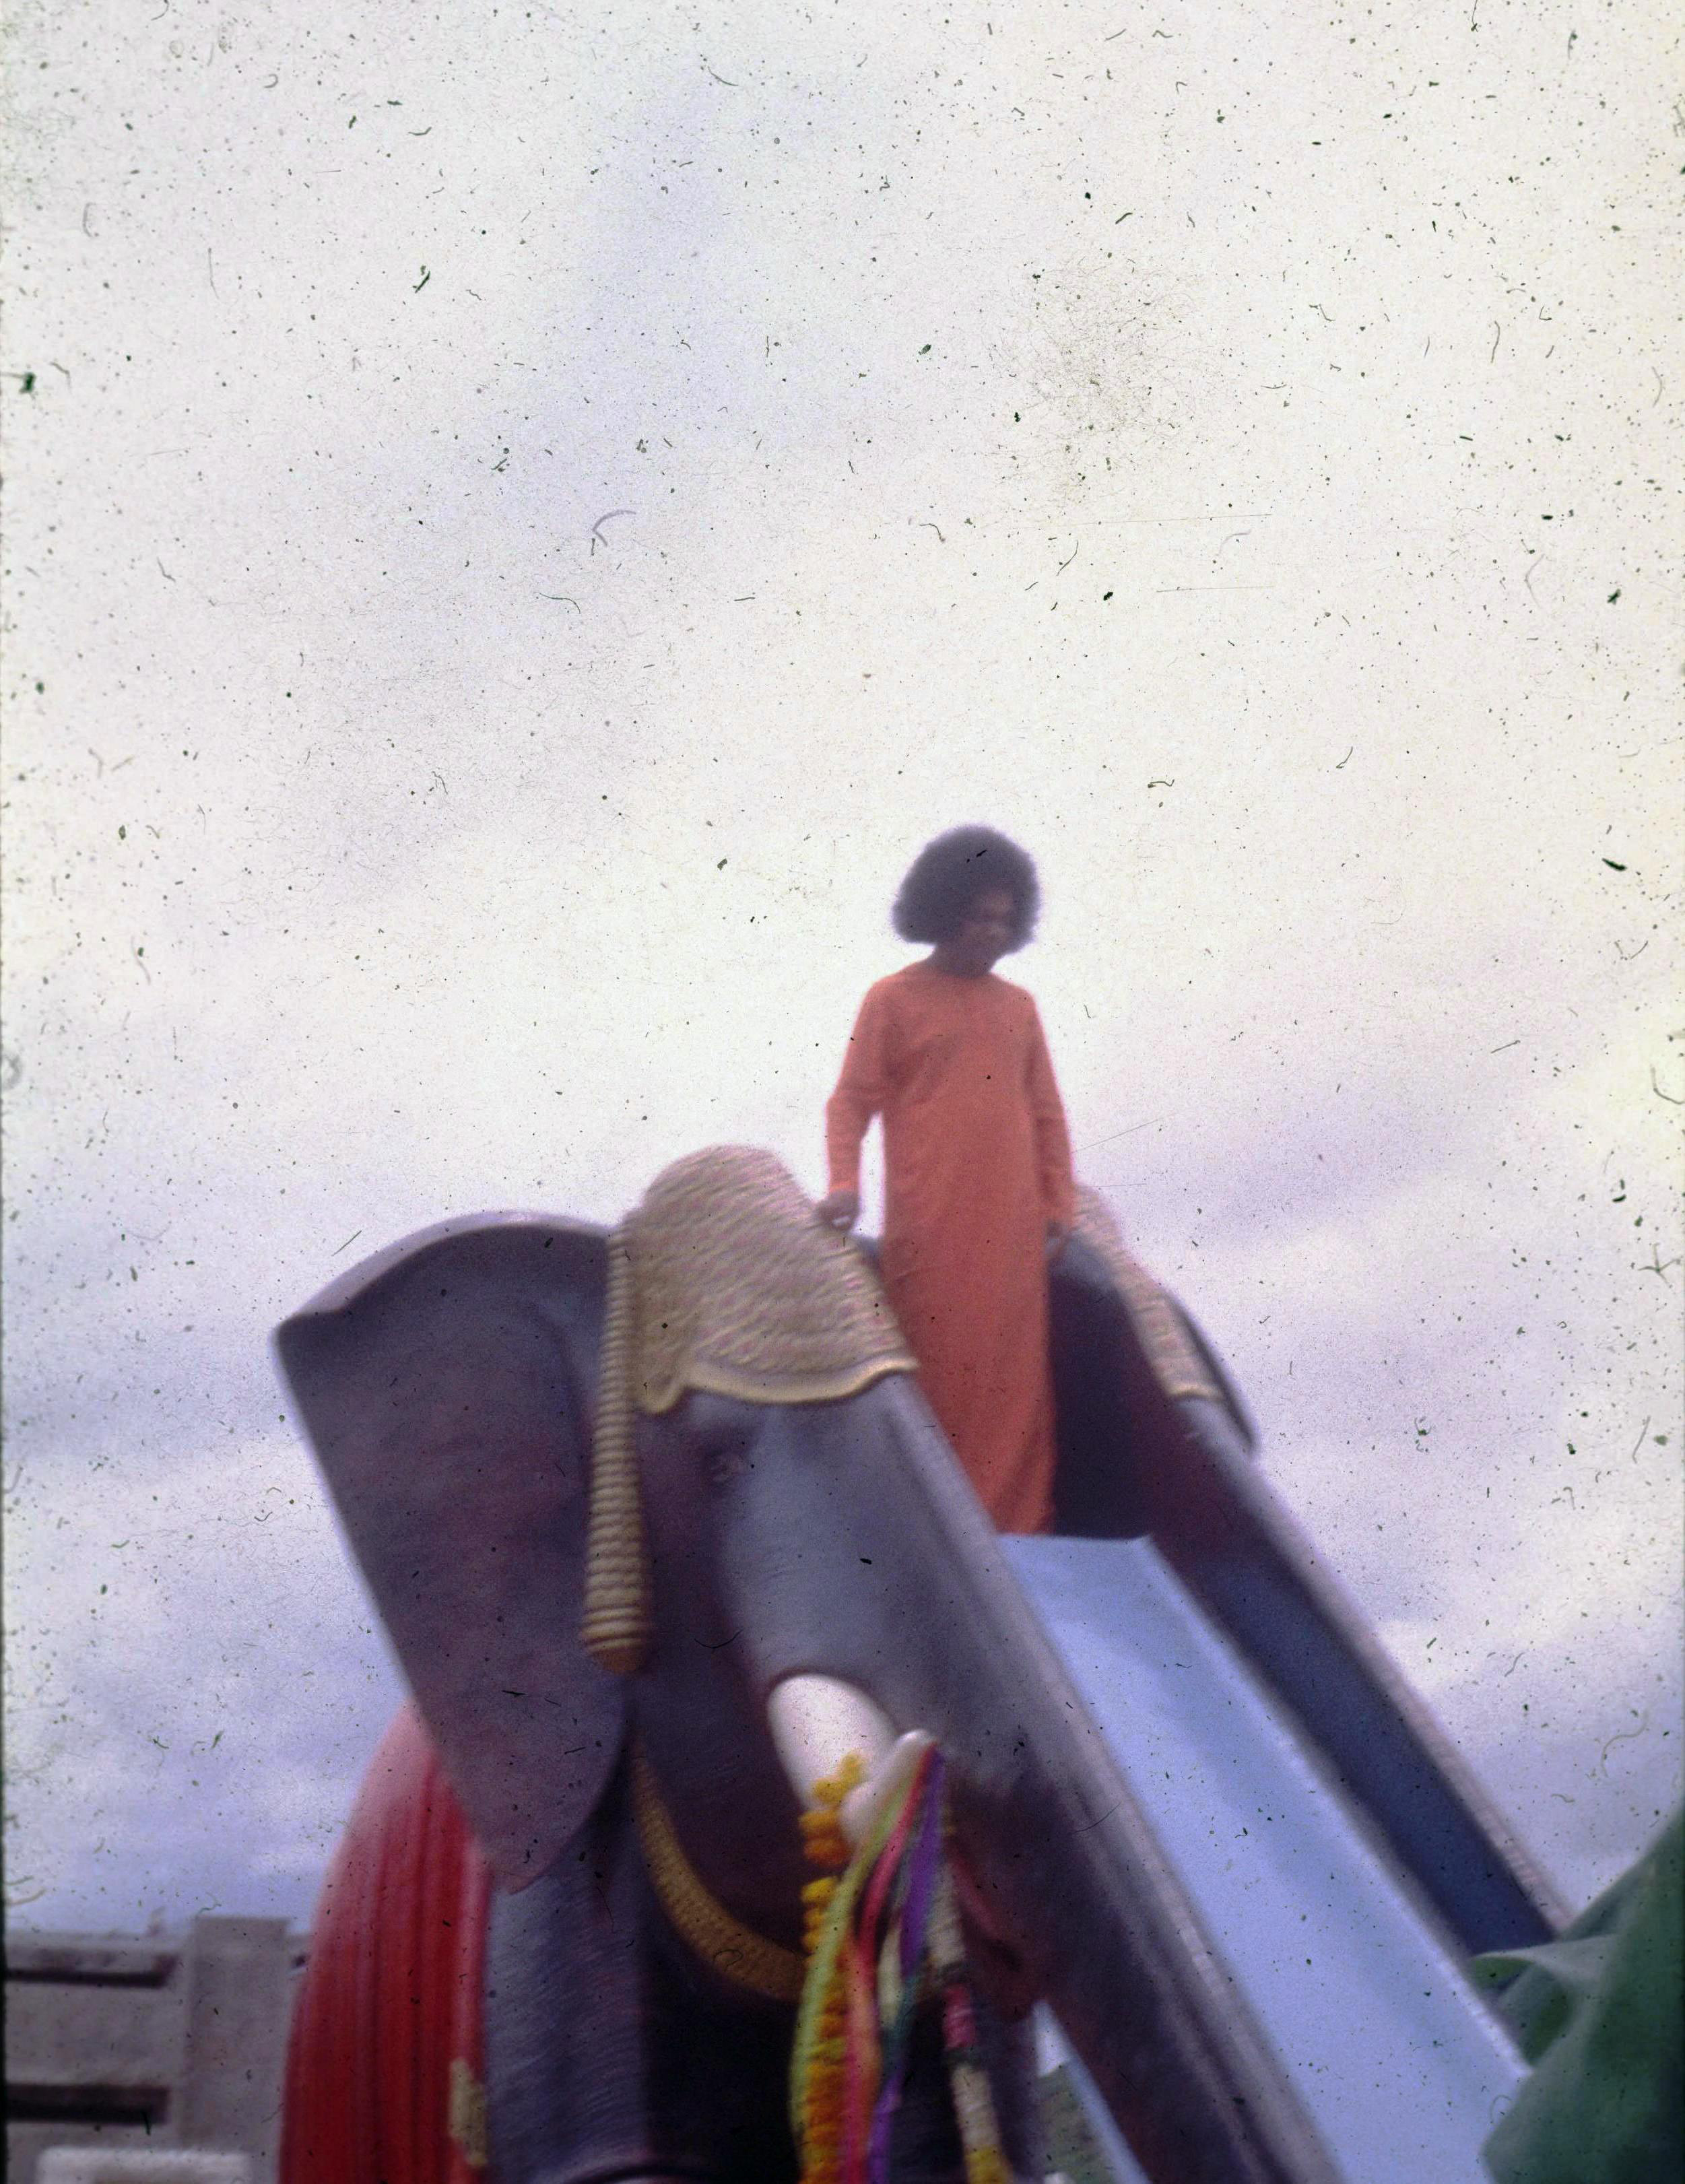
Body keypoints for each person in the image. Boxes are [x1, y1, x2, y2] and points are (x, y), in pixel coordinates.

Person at [818, 827, 1076, 1535]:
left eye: (1003, 920)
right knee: (939, 1368)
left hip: (1012, 1226)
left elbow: (1047, 1112)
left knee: (1015, 1382)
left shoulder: (1020, 1009)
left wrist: (1058, 1202)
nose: (991, 932)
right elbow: (850, 1102)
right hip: (930, 1221)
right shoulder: (892, 1000)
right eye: (978, 917)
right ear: (941, 911)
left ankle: (1020, 1530)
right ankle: (946, 1530)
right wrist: (844, 1183)